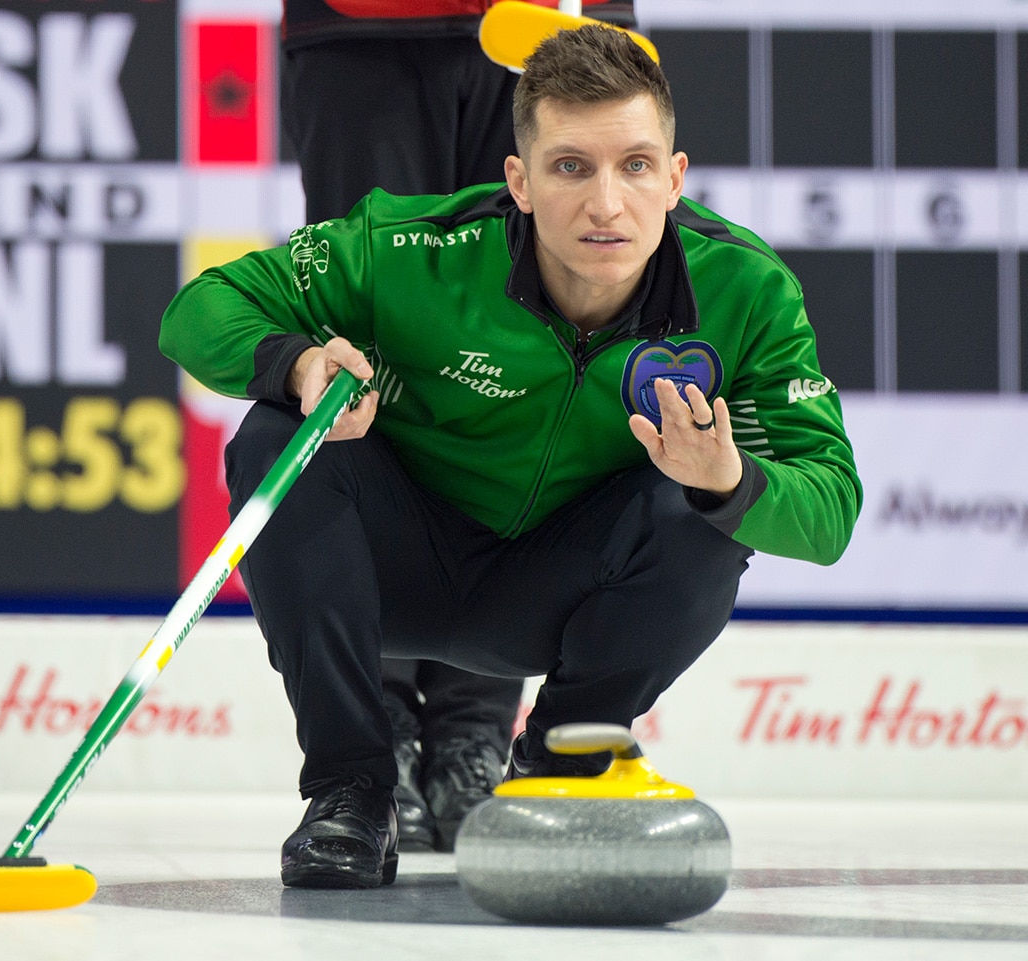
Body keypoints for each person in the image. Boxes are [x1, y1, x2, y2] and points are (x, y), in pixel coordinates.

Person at [160, 24, 862, 890]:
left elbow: (830, 510)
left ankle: (555, 767)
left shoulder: (748, 291)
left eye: (636, 166)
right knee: (277, 437)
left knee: (699, 510)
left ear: (676, 178)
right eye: (572, 167)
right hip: (399, 570)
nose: (607, 203)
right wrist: (299, 365)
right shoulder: (414, 249)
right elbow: (197, 309)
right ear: (519, 181)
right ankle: (351, 790)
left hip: (559, 589)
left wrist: (728, 476)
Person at [278, 0, 640, 854]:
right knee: (370, 337)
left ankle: (475, 731)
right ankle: (382, 737)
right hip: (364, 26)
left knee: (533, 336)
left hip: (556, 25)